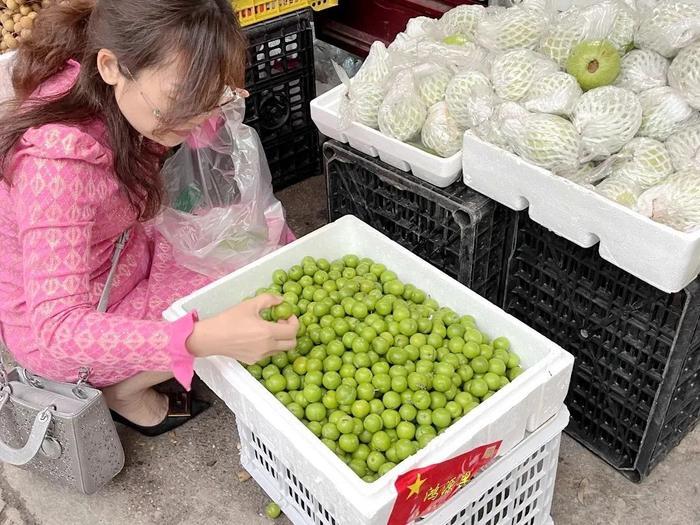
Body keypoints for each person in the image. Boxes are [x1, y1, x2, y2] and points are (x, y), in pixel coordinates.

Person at [0, 0, 299, 436]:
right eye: (179, 102)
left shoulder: (119, 77)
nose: (194, 117)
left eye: (208, 96)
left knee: (268, 242)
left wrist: (212, 102)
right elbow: (59, 327)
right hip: (72, 327)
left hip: (124, 256)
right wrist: (201, 338)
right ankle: (125, 391)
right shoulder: (58, 166)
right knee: (239, 294)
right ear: (110, 67)